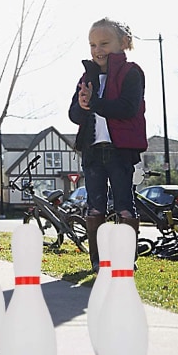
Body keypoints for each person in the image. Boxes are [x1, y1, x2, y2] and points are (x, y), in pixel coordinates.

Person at [68, 18, 147, 273]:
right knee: (95, 206)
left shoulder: (131, 72)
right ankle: (97, 260)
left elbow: (127, 108)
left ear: (123, 43)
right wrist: (81, 105)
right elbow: (74, 114)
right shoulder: (86, 75)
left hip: (121, 151)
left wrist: (95, 103)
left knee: (124, 204)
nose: (97, 50)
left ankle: (126, 259)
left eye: (104, 43)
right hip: (93, 152)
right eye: (92, 44)